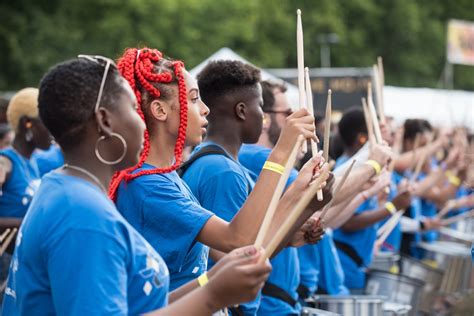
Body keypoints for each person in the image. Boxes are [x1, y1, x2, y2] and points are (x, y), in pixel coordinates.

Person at [2, 57, 272, 315]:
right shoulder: (82, 215)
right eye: (133, 109)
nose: (143, 122)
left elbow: (138, 307)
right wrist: (213, 295)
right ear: (105, 121)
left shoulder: (62, 187)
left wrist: (211, 282)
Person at [112, 48, 329, 298]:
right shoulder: (147, 185)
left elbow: (238, 255)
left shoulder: (164, 177)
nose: (204, 109)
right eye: (194, 99)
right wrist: (281, 154)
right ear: (160, 111)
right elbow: (238, 240)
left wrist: (301, 203)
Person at [182, 67, 326, 316]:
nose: (263, 118)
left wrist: (294, 227)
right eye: (260, 106)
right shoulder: (223, 172)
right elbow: (238, 254)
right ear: (241, 111)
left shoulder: (221, 164)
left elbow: (253, 245)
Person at [332, 108, 412, 292]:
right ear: (362, 139)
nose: (389, 140)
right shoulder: (348, 168)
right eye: (380, 134)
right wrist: (392, 207)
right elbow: (348, 222)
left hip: (359, 264)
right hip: (345, 265)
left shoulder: (364, 168)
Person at [0, 88, 52, 221]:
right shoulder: (5, 163)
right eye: (47, 121)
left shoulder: (33, 161)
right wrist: (29, 224)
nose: (53, 128)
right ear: (27, 123)